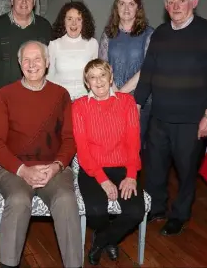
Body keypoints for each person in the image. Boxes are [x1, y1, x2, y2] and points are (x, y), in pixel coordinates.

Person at [0, 40, 82, 268]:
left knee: (66, 200)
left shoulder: (61, 95)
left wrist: (56, 166)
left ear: (47, 62)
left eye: (37, 59)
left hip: (54, 167)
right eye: (26, 60)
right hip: (13, 168)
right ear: (20, 64)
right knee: (18, 200)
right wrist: (22, 170)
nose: (32, 65)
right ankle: (8, 265)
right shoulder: (4, 95)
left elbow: (70, 139)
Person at [134, 0, 207, 235]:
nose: (175, 6)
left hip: (192, 120)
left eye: (181, 0)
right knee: (155, 167)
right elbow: (147, 71)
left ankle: (180, 214)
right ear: (165, 5)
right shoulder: (159, 33)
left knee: (186, 170)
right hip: (159, 117)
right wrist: (137, 104)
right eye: (170, 1)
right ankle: (156, 208)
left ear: (194, 2)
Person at [72, 58, 145, 265]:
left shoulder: (126, 102)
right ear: (87, 83)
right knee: (96, 211)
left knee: (135, 211)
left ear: (110, 77)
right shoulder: (79, 106)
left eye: (102, 75)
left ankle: (102, 240)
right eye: (92, 77)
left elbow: (133, 141)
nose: (98, 81)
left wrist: (131, 175)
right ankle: (108, 237)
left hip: (123, 167)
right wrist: (103, 180)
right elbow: (83, 151)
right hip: (92, 169)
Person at [99, 0, 154, 144]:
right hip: (111, 97)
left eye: (131, 4)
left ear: (138, 7)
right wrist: (115, 93)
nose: (126, 8)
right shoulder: (108, 34)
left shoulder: (149, 34)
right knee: (112, 146)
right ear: (116, 7)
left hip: (139, 101)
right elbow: (103, 66)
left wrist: (122, 94)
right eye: (122, 3)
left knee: (134, 149)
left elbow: (147, 69)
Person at [0, 0, 52, 90]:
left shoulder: (45, 27)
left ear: (34, 1)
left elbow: (50, 63)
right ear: (11, 0)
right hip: (3, 95)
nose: (24, 2)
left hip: (36, 93)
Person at [48, 1, 98, 99]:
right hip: (60, 100)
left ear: (84, 22)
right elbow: (49, 78)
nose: (74, 23)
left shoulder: (92, 44)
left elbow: (96, 77)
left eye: (78, 19)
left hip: (86, 101)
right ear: (64, 21)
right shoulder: (54, 45)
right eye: (69, 19)